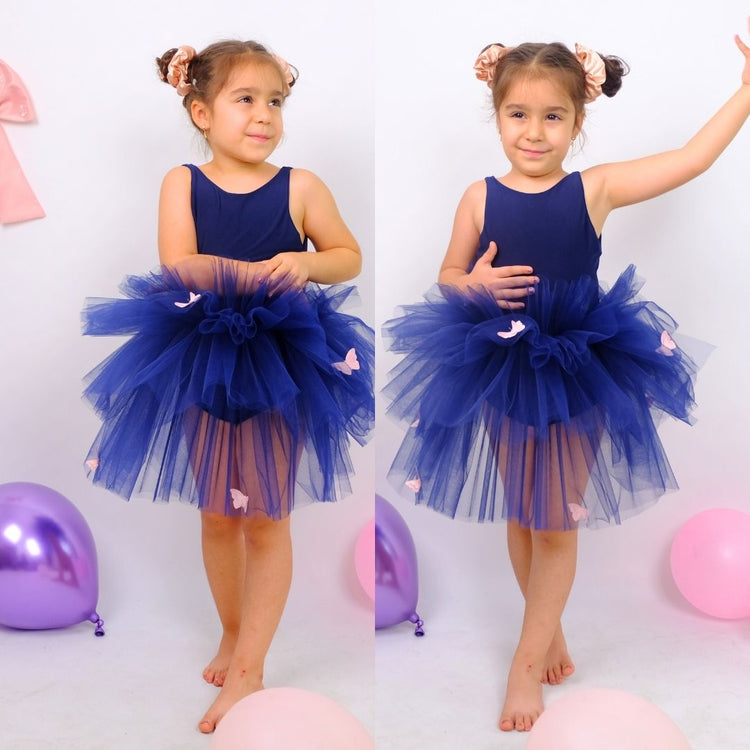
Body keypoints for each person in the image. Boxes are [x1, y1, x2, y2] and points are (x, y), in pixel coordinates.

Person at [383, 24, 750, 733]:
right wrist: (476, 285)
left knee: (556, 518)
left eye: (553, 116)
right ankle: (546, 634)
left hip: (580, 361)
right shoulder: (478, 196)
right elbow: (448, 277)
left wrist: (745, 94)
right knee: (524, 510)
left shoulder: (596, 187)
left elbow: (693, 160)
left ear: (579, 123)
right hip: (497, 356)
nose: (534, 131)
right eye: (518, 114)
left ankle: (526, 664)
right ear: (496, 115)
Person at [82, 40, 374, 733]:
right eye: (245, 100)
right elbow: (179, 264)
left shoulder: (300, 186)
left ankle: (250, 669)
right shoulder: (181, 182)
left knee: (266, 513)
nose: (263, 115)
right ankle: (235, 629)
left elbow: (346, 254)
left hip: (283, 353)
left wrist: (301, 266)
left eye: (275, 101)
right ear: (202, 111)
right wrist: (254, 271)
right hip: (201, 349)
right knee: (218, 509)